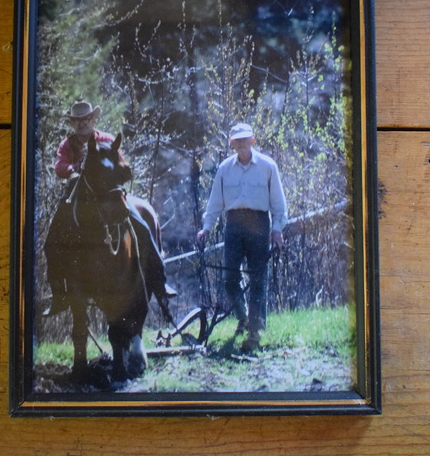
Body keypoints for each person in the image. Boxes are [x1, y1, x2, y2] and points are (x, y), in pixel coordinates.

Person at [44, 100, 176, 317]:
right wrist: (71, 170)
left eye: (85, 120)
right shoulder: (67, 145)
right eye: (77, 121)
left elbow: (121, 165)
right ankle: (60, 295)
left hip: (109, 196)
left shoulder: (106, 140)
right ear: (72, 123)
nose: (81, 125)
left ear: (92, 120)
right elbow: (59, 165)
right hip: (78, 196)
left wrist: (117, 172)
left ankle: (160, 282)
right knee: (52, 240)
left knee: (142, 226)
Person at [196, 123, 288, 352]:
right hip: (234, 225)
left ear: (253, 141)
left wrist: (277, 229)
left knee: (258, 278)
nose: (243, 144)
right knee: (229, 278)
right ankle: (243, 316)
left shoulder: (268, 166)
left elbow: (278, 203)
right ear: (232, 144)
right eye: (238, 141)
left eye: (246, 140)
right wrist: (206, 227)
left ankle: (255, 330)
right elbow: (215, 202)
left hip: (259, 224)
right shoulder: (225, 169)